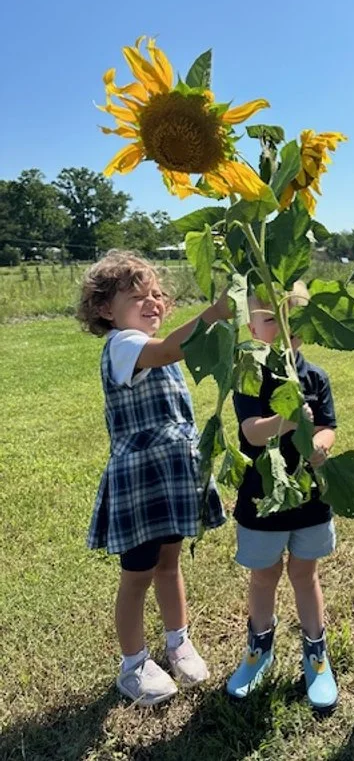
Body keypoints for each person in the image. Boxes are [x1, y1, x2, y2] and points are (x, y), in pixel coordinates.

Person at [77, 250, 228, 706]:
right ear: (106, 309)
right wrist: (216, 312)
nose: (153, 302)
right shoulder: (124, 344)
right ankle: (133, 664)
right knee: (137, 574)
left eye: (158, 294)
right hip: (141, 479)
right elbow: (166, 350)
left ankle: (178, 641)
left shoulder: (149, 344)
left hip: (171, 472)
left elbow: (174, 349)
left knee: (169, 563)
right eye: (138, 296)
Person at [226, 282, 339, 712]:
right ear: (252, 324)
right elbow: (251, 431)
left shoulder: (316, 377)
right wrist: (287, 422)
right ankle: (259, 649)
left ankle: (316, 653)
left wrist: (321, 443)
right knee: (264, 575)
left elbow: (329, 425)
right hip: (262, 497)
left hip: (309, 495)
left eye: (291, 319)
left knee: (305, 574)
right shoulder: (249, 374)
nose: (282, 328)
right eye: (270, 318)